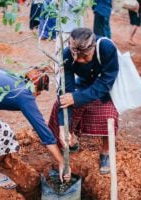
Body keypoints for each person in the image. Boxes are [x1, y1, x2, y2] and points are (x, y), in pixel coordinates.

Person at [48, 28, 119, 175]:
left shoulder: (106, 47)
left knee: (109, 114)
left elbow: (106, 82)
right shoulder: (66, 55)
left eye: (85, 57)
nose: (80, 60)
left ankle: (105, 151)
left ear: (93, 48)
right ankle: (70, 138)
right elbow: (65, 91)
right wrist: (63, 128)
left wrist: (77, 98)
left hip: (106, 86)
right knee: (59, 105)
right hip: (84, 83)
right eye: (76, 56)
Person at [54, 0, 84, 85]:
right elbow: (54, 8)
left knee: (74, 60)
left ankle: (74, 88)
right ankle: (59, 88)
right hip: (61, 29)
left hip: (74, 31)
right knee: (59, 60)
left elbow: (78, 7)